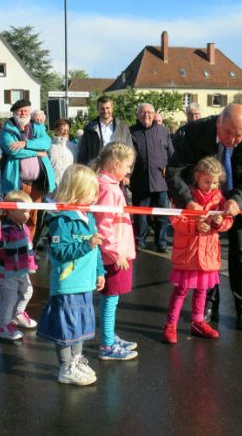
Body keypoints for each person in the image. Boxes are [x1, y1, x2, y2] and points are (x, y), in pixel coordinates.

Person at [167, 103, 242, 331]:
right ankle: (208, 306)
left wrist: (237, 200)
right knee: (205, 254)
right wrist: (188, 202)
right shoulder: (195, 131)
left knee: (241, 252)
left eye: (238, 135)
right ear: (218, 122)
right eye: (227, 133)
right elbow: (174, 171)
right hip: (203, 202)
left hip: (237, 203)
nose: (232, 139)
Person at [37, 164, 105, 386]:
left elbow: (96, 249)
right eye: (91, 191)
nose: (95, 196)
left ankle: (76, 361)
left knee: (82, 326)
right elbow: (59, 251)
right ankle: (66, 367)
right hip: (68, 284)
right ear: (77, 191)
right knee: (67, 327)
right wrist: (87, 245)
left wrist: (100, 271)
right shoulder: (61, 220)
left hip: (84, 283)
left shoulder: (87, 215)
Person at [163, 157, 233, 344]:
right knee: (181, 290)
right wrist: (194, 226)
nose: (211, 186)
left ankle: (198, 321)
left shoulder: (219, 199)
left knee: (202, 289)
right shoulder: (186, 196)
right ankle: (171, 325)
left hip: (208, 253)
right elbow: (175, 219)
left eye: (215, 183)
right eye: (207, 182)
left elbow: (228, 220)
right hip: (188, 252)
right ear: (197, 177)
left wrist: (220, 223)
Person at [93, 142, 139, 361]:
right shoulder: (108, 189)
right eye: (127, 166)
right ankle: (107, 346)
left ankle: (109, 336)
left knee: (112, 299)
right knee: (110, 299)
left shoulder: (108, 185)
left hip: (116, 252)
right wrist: (114, 253)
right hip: (113, 256)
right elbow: (104, 225)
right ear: (115, 164)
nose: (128, 171)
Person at [0, 190, 38, 341]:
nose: (28, 215)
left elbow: (29, 247)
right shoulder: (4, 228)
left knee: (28, 292)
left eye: (29, 211)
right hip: (7, 273)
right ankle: (4, 326)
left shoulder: (23, 227)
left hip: (21, 270)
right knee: (10, 299)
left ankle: (18, 315)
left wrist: (31, 264)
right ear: (11, 211)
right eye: (24, 211)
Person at [0, 99, 55, 243]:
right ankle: (13, 247)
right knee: (15, 217)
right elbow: (13, 152)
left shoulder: (37, 127)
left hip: (36, 183)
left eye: (26, 110)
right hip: (18, 184)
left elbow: (46, 143)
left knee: (33, 218)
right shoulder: (7, 129)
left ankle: (29, 248)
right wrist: (36, 152)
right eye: (20, 111)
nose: (23, 113)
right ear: (14, 113)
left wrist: (25, 144)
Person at [130, 102, 173, 252]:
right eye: (142, 112)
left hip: (160, 182)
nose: (146, 115)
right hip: (139, 181)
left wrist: (169, 169)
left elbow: (171, 155)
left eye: (149, 112)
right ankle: (140, 241)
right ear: (137, 115)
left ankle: (161, 243)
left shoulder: (163, 132)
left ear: (154, 115)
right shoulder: (131, 132)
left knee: (162, 215)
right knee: (141, 215)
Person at [77, 95, 133, 165]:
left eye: (107, 108)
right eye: (102, 108)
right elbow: (83, 154)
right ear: (98, 109)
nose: (105, 111)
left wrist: (128, 172)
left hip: (118, 168)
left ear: (112, 108)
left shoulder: (123, 128)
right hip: (97, 169)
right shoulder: (89, 129)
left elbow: (130, 151)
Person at [48, 118, 78, 184]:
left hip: (68, 184)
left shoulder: (74, 147)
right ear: (56, 130)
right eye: (63, 129)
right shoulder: (49, 145)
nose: (65, 132)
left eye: (67, 130)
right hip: (52, 185)